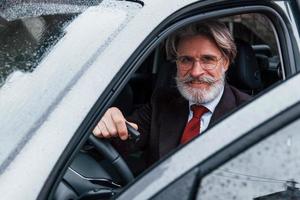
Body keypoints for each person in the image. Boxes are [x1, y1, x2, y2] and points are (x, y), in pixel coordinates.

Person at [93, 20, 250, 167]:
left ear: (226, 62)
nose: (196, 72)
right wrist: (108, 121)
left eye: (208, 59)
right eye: (186, 60)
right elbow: (124, 140)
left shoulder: (250, 112)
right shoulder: (163, 101)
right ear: (176, 63)